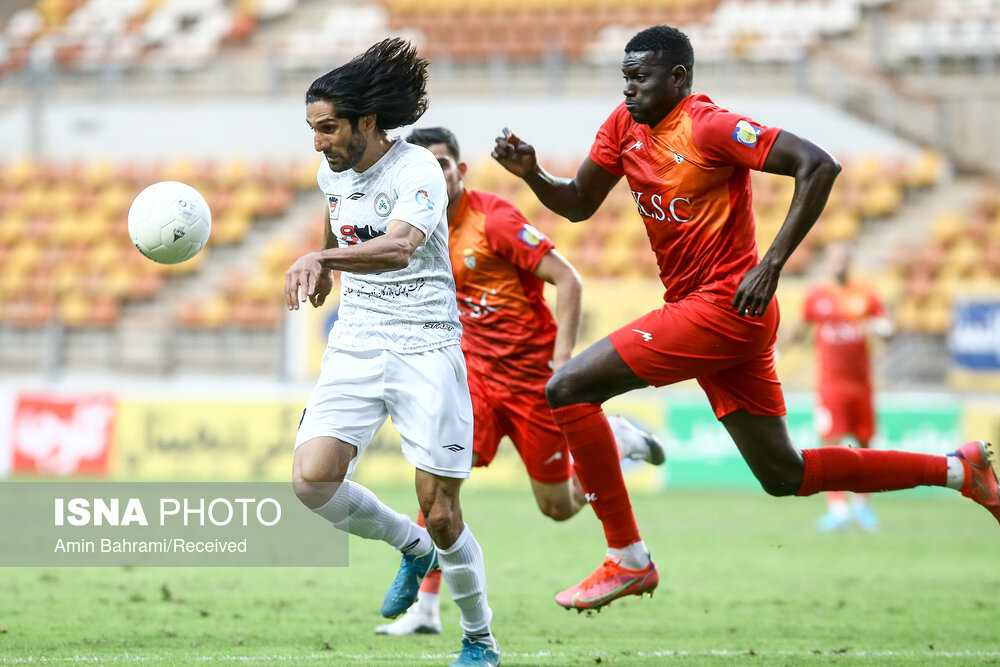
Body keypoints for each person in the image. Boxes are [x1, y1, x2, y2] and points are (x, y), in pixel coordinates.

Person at [491, 25, 999, 612]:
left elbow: (819, 165)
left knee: (568, 387)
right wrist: (532, 173)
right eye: (624, 77)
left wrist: (772, 265)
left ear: (678, 78)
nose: (628, 89)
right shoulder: (623, 125)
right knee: (784, 473)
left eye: (640, 77)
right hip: (707, 313)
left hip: (725, 307)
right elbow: (580, 204)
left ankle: (627, 558)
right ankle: (958, 470)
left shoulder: (708, 126)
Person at [375, 126, 666, 636]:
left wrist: (562, 361)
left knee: (557, 508)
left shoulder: (494, 219)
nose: (435, 175)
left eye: (443, 165)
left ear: (460, 171)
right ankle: (425, 609)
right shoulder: (413, 231)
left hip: (533, 384)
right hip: (474, 382)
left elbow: (568, 279)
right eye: (424, 167)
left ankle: (616, 442)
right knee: (437, 483)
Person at [286, 39, 499, 667]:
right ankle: (411, 547)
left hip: (424, 344)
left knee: (442, 512)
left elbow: (401, 246)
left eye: (328, 128)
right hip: (356, 340)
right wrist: (328, 268)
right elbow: (336, 214)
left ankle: (479, 639)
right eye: (312, 129)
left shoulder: (417, 170)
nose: (318, 142)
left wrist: (322, 257)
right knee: (311, 481)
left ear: (367, 122)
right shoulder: (331, 171)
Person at [796, 241, 893, 532]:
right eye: (835, 258)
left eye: (844, 258)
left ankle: (863, 505)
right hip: (830, 385)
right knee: (832, 445)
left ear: (850, 260)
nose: (840, 263)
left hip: (861, 385)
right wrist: (777, 349)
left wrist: (881, 327)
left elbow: (886, 328)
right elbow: (800, 329)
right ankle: (837, 508)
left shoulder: (865, 293)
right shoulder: (817, 296)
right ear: (828, 262)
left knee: (865, 444)